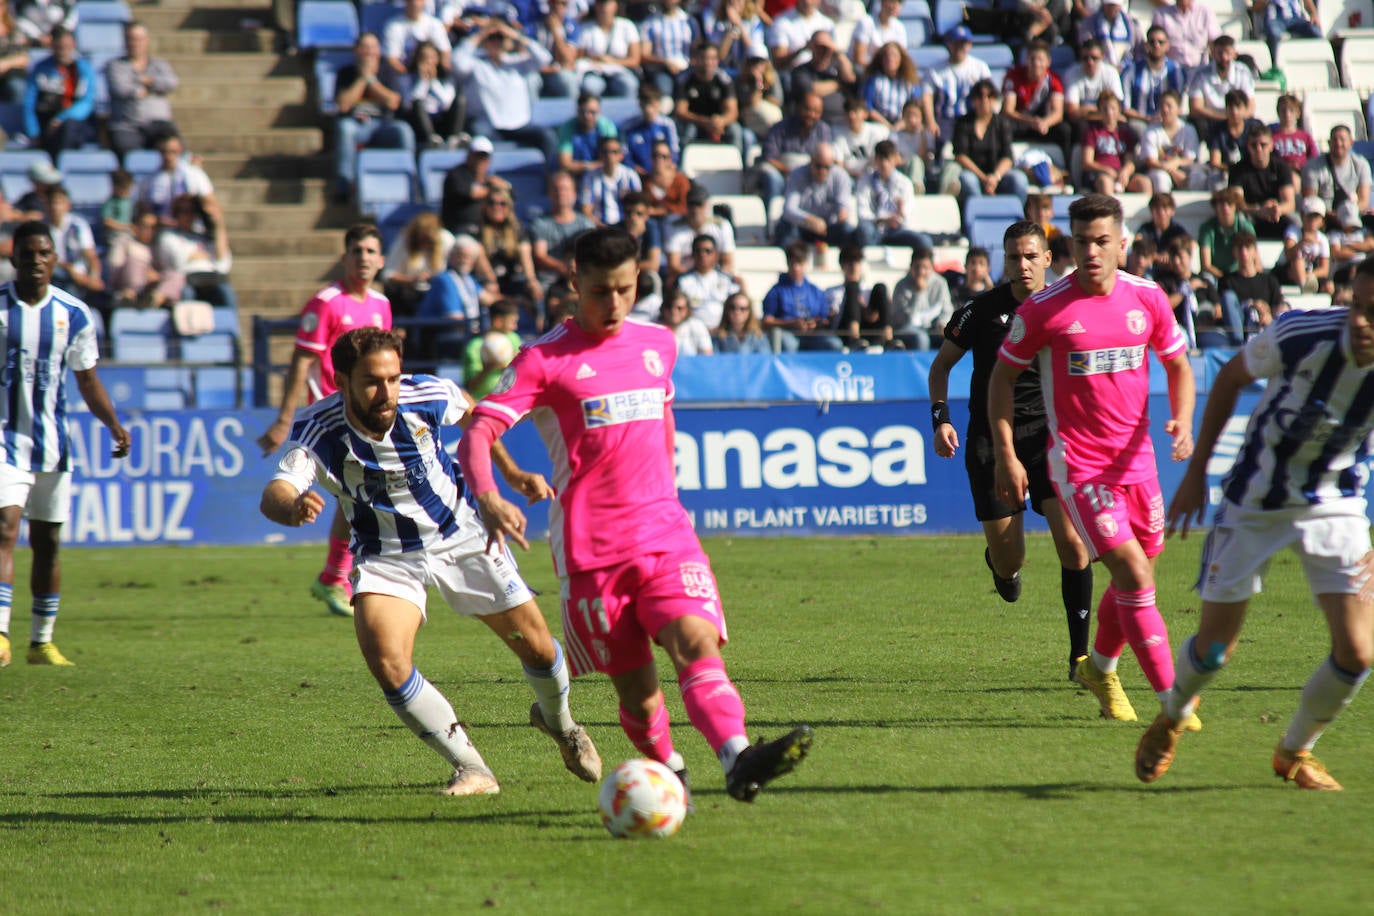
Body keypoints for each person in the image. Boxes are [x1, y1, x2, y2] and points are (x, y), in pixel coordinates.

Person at [457, 227, 813, 806]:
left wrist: (668, 496)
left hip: (665, 536)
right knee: (641, 695)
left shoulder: (658, 342)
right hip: (592, 555)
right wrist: (488, 494)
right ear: (574, 284)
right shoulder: (541, 360)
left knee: (698, 644)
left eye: (626, 289)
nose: (615, 304)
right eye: (601, 292)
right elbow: (479, 430)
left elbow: (664, 420)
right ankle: (671, 770)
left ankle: (738, 758)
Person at [261, 327, 601, 796]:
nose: (387, 393)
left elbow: (475, 418)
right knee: (388, 660)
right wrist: (292, 506)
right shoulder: (320, 429)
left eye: (394, 379)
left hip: (459, 534)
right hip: (386, 556)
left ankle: (561, 725)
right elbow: (276, 491)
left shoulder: (427, 393)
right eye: (372, 382)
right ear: (341, 381)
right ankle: (472, 767)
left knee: (539, 648)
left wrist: (512, 473)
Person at [1136, 257, 1374, 791]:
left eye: (1373, 313)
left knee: (1359, 651)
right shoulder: (1301, 333)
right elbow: (1229, 377)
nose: (1359, 321)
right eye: (1356, 305)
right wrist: (1196, 474)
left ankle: (1294, 752)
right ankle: (1173, 714)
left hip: (1335, 503)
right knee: (1217, 648)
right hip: (1255, 499)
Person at [990, 193, 1199, 727]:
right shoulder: (1043, 310)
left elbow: (1177, 365)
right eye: (1081, 242)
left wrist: (1183, 418)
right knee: (1131, 571)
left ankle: (1100, 668)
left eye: (1102, 241)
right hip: (1079, 469)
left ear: (1122, 243)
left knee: (1139, 574)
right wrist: (1008, 454)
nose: (1091, 252)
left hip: (1140, 466)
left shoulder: (1148, 298)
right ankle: (1174, 701)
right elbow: (1001, 379)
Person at [928, 220, 1093, 679]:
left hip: (1047, 438)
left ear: (1046, 259)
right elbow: (940, 368)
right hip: (990, 440)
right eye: (1011, 258)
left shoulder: (1069, 306)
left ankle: (1080, 658)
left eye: (1028, 256)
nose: (1020, 265)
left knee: (1074, 546)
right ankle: (1001, 568)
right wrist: (940, 419)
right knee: (1010, 559)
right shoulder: (980, 310)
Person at [0, 220, 131, 668]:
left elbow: (87, 378)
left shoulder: (73, 313)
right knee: (5, 527)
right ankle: (0, 635)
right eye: (28, 252)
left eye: (44, 253)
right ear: (13, 256)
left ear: (55, 259)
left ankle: (41, 642)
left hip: (53, 444)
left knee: (48, 542)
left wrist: (114, 425)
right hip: (4, 440)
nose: (36, 260)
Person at [256, 224, 392, 618]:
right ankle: (337, 577)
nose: (364, 258)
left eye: (371, 251)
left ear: (380, 260)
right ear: (345, 257)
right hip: (331, 412)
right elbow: (302, 359)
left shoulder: (381, 304)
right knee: (358, 493)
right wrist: (285, 418)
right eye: (357, 251)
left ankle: (336, 577)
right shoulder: (327, 302)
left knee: (358, 494)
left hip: (364, 414)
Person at [452, 20, 558, 160]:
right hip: (489, 124)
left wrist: (515, 35)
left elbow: (545, 58)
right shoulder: (476, 64)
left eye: (500, 38)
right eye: (492, 38)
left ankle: (554, 178)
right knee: (479, 140)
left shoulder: (517, 62)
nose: (496, 42)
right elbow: (456, 62)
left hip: (519, 124)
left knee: (547, 136)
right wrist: (482, 34)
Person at [331, 32, 415, 204]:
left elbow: (393, 102)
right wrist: (361, 79)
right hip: (356, 125)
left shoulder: (388, 72)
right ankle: (345, 187)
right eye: (364, 47)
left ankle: (409, 185)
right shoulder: (345, 73)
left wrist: (371, 80)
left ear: (379, 50)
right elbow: (343, 105)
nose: (369, 52)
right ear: (356, 51)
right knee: (344, 128)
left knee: (403, 131)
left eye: (373, 47)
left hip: (383, 125)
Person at [105, 21, 179, 160]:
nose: (134, 43)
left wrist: (151, 82)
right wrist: (143, 88)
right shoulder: (115, 65)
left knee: (174, 146)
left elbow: (171, 82)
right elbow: (120, 88)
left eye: (138, 39)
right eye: (130, 39)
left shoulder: (159, 64)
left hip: (158, 124)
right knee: (128, 155)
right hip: (127, 126)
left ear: (146, 40)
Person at [22, 26, 94, 160]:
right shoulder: (40, 69)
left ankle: (61, 167)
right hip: (45, 124)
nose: (63, 51)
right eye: (59, 47)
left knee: (69, 128)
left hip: (72, 125)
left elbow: (86, 102)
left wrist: (60, 119)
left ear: (73, 44)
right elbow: (29, 103)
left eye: (67, 46)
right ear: (52, 46)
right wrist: (33, 132)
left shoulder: (82, 69)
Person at [761, 239, 840, 352]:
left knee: (834, 344)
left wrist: (814, 323)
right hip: (788, 333)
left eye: (799, 263)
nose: (796, 268)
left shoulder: (816, 291)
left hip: (812, 335)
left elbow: (824, 318)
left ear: (805, 263)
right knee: (789, 344)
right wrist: (791, 323)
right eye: (792, 263)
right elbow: (766, 321)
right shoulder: (776, 291)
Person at [854, 139, 930, 250]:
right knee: (864, 231)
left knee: (924, 242)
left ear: (895, 160)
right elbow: (862, 214)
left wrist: (900, 213)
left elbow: (906, 214)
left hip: (896, 231)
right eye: (881, 159)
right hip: (874, 230)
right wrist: (883, 220)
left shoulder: (904, 183)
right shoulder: (865, 182)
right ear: (875, 160)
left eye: (888, 159)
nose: (884, 164)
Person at [381, 209, 454, 317]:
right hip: (409, 295)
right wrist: (413, 280)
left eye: (428, 240)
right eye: (422, 240)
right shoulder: (403, 241)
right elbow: (388, 274)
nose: (425, 244)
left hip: (437, 293)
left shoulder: (446, 239)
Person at [1231, 124, 1297, 240]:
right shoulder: (1238, 170)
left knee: (1296, 222)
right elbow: (1237, 204)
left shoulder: (1282, 167)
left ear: (1271, 145)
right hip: (1252, 214)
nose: (1258, 149)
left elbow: (1290, 203)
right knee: (1239, 219)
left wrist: (1277, 209)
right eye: (1254, 145)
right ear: (1248, 146)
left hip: (1276, 214)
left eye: (1263, 145)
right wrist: (1259, 210)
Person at [138, 132, 217, 227]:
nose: (168, 156)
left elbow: (209, 202)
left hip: (191, 230)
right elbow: (143, 209)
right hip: (160, 230)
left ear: (179, 150)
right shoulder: (148, 180)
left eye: (172, 151)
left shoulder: (194, 175)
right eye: (164, 152)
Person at [1120, 27, 1187, 134]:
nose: (1156, 45)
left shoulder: (1175, 70)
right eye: (1152, 42)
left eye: (1160, 42)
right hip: (1140, 121)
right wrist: (1146, 118)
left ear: (1167, 45)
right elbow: (1126, 108)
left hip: (1168, 122)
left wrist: (1162, 117)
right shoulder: (1131, 70)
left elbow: (1180, 106)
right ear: (1146, 45)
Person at [673, 39, 739, 147]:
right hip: (695, 122)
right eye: (704, 58)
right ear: (696, 59)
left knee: (736, 131)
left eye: (712, 58)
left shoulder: (724, 80)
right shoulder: (684, 80)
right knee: (689, 130)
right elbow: (680, 112)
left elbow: (732, 112)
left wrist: (721, 121)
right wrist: (706, 122)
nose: (708, 62)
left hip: (717, 124)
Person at [830, 244, 893, 350]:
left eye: (857, 262)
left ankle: (888, 338)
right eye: (849, 263)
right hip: (843, 330)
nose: (853, 267)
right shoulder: (832, 292)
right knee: (852, 287)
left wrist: (869, 312)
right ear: (842, 266)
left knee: (880, 288)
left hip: (867, 328)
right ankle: (854, 337)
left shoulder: (867, 290)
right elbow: (833, 315)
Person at [890, 244, 953, 351]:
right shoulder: (901, 285)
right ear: (911, 267)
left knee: (952, 338)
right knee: (921, 339)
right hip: (907, 330)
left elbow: (947, 309)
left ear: (932, 268)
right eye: (917, 267)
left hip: (933, 328)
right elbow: (903, 320)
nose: (921, 272)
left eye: (925, 267)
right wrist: (918, 293)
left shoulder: (940, 283)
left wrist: (942, 324)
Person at [574, 0, 641, 98]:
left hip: (620, 71)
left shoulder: (627, 26)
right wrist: (593, 59)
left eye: (607, 3)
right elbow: (578, 56)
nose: (604, 7)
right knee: (590, 86)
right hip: (594, 71)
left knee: (628, 84)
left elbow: (635, 60)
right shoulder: (586, 28)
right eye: (600, 3)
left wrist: (611, 61)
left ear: (615, 5)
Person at [676, 233, 740, 330]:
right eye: (698, 251)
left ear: (716, 255)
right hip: (692, 333)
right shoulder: (682, 281)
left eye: (708, 251)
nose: (703, 255)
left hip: (723, 332)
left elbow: (737, 306)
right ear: (692, 254)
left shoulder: (727, 280)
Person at [463, 298, 522, 397]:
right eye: (512, 322)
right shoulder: (475, 346)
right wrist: (488, 368)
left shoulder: (514, 339)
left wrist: (511, 366)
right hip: (482, 400)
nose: (515, 327)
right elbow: (470, 386)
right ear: (498, 321)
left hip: (510, 400)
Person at [579, 134, 641, 227]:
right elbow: (586, 210)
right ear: (600, 154)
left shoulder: (630, 176)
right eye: (605, 152)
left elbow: (638, 206)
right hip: (598, 227)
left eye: (614, 152)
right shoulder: (590, 177)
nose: (610, 156)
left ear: (621, 155)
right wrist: (602, 227)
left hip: (626, 226)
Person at [1151, 0, 1218, 72]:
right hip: (1171, 71)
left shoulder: (1205, 12)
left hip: (1199, 69)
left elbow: (1215, 43)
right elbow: (1154, 42)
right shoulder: (1161, 14)